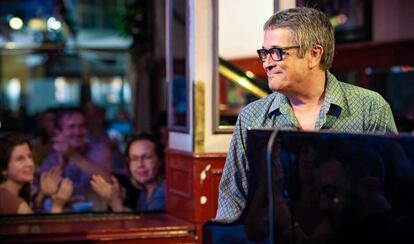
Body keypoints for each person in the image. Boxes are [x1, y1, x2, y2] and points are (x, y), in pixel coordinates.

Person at [216, 6, 398, 222]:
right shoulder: (251, 116)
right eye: (264, 53)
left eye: (276, 52)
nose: (266, 63)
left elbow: (391, 193)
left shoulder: (370, 108)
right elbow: (232, 198)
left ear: (314, 54)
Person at [315, 140, 414, 244]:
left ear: (369, 186)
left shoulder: (400, 237)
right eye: (319, 194)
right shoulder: (347, 232)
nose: (323, 205)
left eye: (331, 194)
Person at [39, 107, 112, 212]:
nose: (77, 132)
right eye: (71, 127)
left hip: (94, 215)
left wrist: (72, 155)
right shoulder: (50, 160)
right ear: (58, 132)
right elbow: (45, 199)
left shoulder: (99, 150)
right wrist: (62, 159)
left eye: (82, 126)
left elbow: (107, 181)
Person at [90, 133, 165, 213]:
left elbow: (146, 225)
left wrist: (114, 201)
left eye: (147, 157)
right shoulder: (145, 190)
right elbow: (140, 219)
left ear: (160, 161)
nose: (140, 164)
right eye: (134, 159)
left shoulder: (162, 192)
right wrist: (120, 198)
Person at [0, 133, 73, 214]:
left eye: (30, 156)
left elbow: (32, 217)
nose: (30, 163)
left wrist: (42, 194)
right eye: (20, 159)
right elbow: (39, 227)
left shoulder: (6, 194)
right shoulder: (15, 203)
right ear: (4, 169)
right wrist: (57, 205)